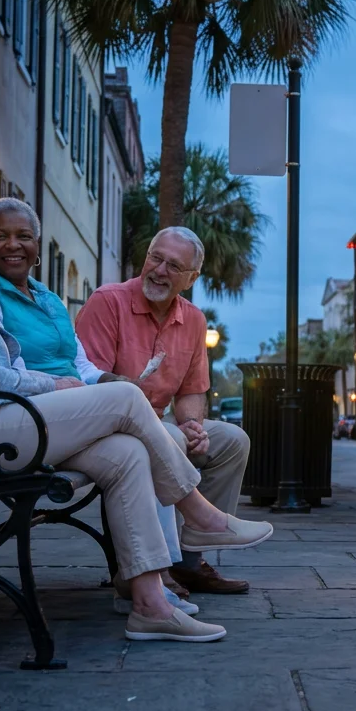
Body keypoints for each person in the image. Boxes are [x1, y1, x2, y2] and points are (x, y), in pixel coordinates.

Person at [0, 168, 273, 643]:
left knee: (126, 452)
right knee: (122, 396)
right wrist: (52, 386)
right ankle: (200, 515)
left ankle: (149, 603)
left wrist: (48, 384)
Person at [0, 198, 196, 616]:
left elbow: (80, 361)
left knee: (131, 445)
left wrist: (105, 379)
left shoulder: (48, 299)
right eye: (0, 236)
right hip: (24, 420)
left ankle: (144, 587)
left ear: (37, 244)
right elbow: (1, 369)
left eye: (24, 236)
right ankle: (201, 512)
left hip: (57, 415)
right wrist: (70, 387)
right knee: (131, 403)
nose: (13, 246)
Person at [76, 227, 251, 595]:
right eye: (156, 257)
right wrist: (170, 427)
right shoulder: (108, 301)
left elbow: (191, 390)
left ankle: (190, 560)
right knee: (167, 438)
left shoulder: (194, 321)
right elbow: (90, 383)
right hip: (108, 425)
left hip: (161, 421)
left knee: (232, 440)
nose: (159, 270)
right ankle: (156, 565)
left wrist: (193, 425)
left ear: (191, 278)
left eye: (174, 265)